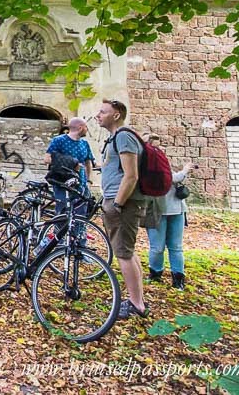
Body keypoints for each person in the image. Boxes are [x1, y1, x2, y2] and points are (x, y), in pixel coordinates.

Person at [96, 99, 150, 320]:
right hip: (120, 201)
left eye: (102, 111)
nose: (98, 115)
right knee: (126, 251)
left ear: (116, 115)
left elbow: (131, 175)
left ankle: (136, 304)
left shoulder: (124, 136)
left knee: (123, 253)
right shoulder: (115, 138)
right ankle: (138, 300)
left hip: (124, 203)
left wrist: (117, 203)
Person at [143, 134, 196, 291]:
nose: (160, 149)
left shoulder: (163, 161)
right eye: (155, 146)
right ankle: (155, 274)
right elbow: (169, 178)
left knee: (176, 246)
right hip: (157, 210)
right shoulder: (146, 164)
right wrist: (185, 170)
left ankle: (178, 278)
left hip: (177, 209)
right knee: (157, 247)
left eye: (160, 146)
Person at [44, 118, 95, 215]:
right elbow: (47, 159)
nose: (87, 130)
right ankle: (60, 230)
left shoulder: (85, 144)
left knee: (81, 213)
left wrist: (88, 181)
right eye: (86, 127)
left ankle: (79, 231)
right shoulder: (59, 140)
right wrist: (71, 163)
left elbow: (88, 163)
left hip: (81, 183)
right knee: (63, 212)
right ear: (80, 128)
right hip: (62, 182)